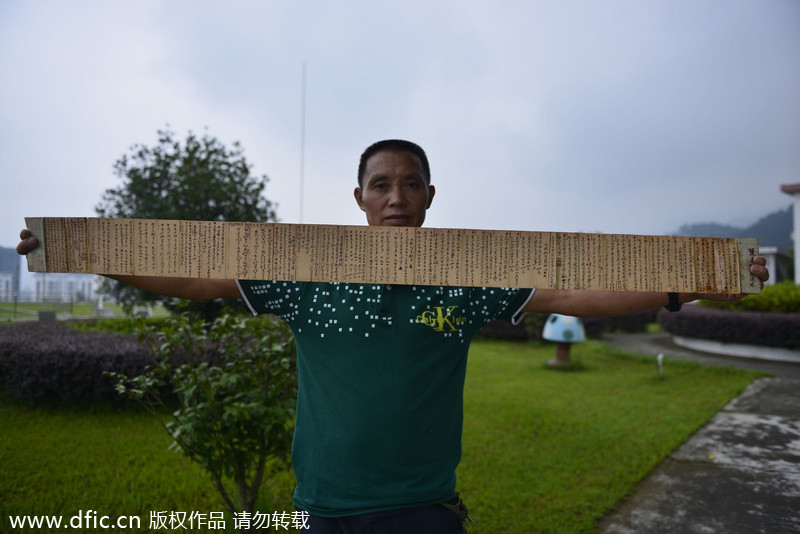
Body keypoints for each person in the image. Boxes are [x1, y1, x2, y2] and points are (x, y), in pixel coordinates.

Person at [16, 139, 769, 533]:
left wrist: (691, 281)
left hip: (422, 510)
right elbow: (195, 279)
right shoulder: (305, 271)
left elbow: (573, 289)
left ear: (431, 197)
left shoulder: (467, 276)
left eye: (411, 183)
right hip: (324, 508)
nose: (396, 196)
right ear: (359, 198)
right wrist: (85, 251)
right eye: (381, 184)